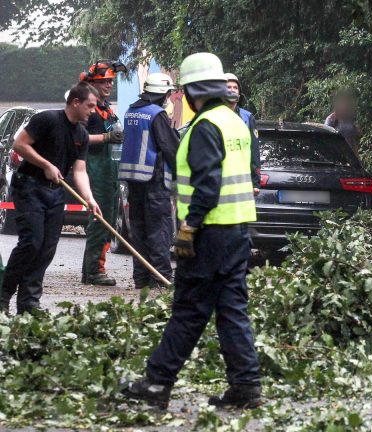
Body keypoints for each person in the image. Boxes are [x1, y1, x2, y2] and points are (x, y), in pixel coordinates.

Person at [122, 52, 262, 409]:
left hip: (209, 233)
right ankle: (245, 387)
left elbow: (207, 184)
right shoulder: (235, 123)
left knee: (189, 309)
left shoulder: (204, 127)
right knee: (232, 309)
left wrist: (188, 228)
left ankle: (156, 384)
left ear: (190, 91)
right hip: (237, 230)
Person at [0, 82, 102, 315]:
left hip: (55, 194)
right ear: (75, 102)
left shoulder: (82, 135)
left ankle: (29, 303)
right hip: (30, 187)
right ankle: (3, 295)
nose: (93, 110)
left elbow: (79, 171)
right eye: (90, 105)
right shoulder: (47, 120)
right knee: (32, 242)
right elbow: (20, 144)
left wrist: (90, 199)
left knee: (47, 248)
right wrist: (45, 164)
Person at [119, 73, 179, 289]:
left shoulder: (131, 111)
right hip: (155, 184)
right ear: (163, 93)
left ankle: (141, 279)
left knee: (139, 233)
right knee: (159, 232)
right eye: (169, 94)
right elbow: (170, 148)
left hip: (134, 183)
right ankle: (161, 279)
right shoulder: (157, 114)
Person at [79, 60, 126, 286]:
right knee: (100, 220)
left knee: (105, 218)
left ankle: (90, 270)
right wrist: (107, 137)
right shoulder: (88, 109)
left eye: (110, 81)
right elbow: (78, 138)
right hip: (95, 169)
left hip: (109, 170)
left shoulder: (105, 107)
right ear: (92, 82)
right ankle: (95, 271)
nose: (108, 85)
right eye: (103, 81)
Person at [324, 90, 362, 156]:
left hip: (350, 153)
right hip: (337, 154)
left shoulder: (350, 118)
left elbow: (353, 140)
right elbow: (326, 137)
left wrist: (357, 158)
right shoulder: (331, 119)